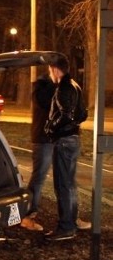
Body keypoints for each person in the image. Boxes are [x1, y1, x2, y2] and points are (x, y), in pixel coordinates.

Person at [42, 54, 86, 241]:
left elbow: (66, 115)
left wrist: (51, 127)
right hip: (73, 139)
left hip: (64, 140)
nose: (49, 73)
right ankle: (71, 222)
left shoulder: (63, 88)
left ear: (55, 69)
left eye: (50, 70)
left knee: (63, 184)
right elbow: (83, 114)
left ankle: (66, 227)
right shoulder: (75, 85)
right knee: (69, 184)